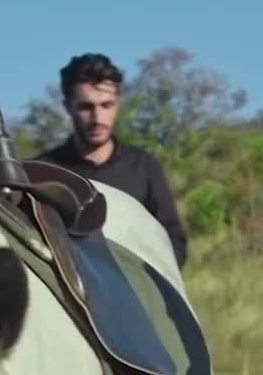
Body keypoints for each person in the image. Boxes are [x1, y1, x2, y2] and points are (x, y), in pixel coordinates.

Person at [36, 52, 190, 266]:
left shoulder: (144, 168)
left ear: (118, 103)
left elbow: (173, 241)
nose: (97, 118)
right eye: (86, 107)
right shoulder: (43, 172)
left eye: (106, 105)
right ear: (68, 106)